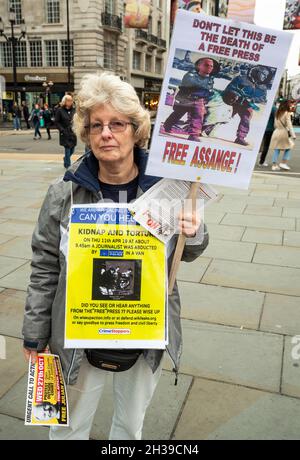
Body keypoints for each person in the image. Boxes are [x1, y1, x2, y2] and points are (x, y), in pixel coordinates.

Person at [22, 72, 209, 441]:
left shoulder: (167, 189)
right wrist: (33, 336)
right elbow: (44, 266)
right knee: (66, 427)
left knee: (129, 426)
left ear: (136, 130)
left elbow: (190, 252)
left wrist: (194, 229)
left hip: (144, 329)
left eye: (117, 124)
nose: (106, 133)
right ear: (87, 134)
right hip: (75, 331)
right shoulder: (64, 193)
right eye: (96, 126)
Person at [163, 57, 222, 141]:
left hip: (198, 100)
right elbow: (192, 85)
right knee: (177, 114)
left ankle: (194, 135)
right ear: (199, 66)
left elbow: (208, 90)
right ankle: (167, 125)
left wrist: (207, 93)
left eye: (211, 66)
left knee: (198, 117)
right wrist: (204, 88)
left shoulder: (210, 78)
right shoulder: (190, 75)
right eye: (206, 65)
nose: (209, 67)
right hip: (185, 100)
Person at [222, 65, 271, 146]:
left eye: (266, 76)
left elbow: (263, 99)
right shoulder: (241, 78)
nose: (264, 77)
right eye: (263, 74)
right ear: (257, 72)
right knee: (223, 116)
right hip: (232, 102)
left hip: (246, 105)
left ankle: (240, 138)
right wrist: (235, 94)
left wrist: (253, 100)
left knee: (246, 119)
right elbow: (229, 88)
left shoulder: (263, 87)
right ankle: (205, 129)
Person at [269, 100, 296, 171]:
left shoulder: (278, 112)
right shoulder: (287, 113)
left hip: (276, 132)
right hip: (283, 133)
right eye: (289, 104)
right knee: (289, 146)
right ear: (286, 105)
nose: (290, 105)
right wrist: (293, 135)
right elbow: (289, 125)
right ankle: (283, 162)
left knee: (277, 149)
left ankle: (274, 165)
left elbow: (275, 124)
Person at [55, 95, 77, 168]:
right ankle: (68, 165)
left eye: (71, 100)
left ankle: (66, 158)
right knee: (67, 149)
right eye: (68, 100)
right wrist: (62, 130)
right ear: (64, 101)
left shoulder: (74, 110)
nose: (70, 102)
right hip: (65, 132)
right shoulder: (60, 110)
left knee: (72, 150)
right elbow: (57, 122)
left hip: (73, 132)